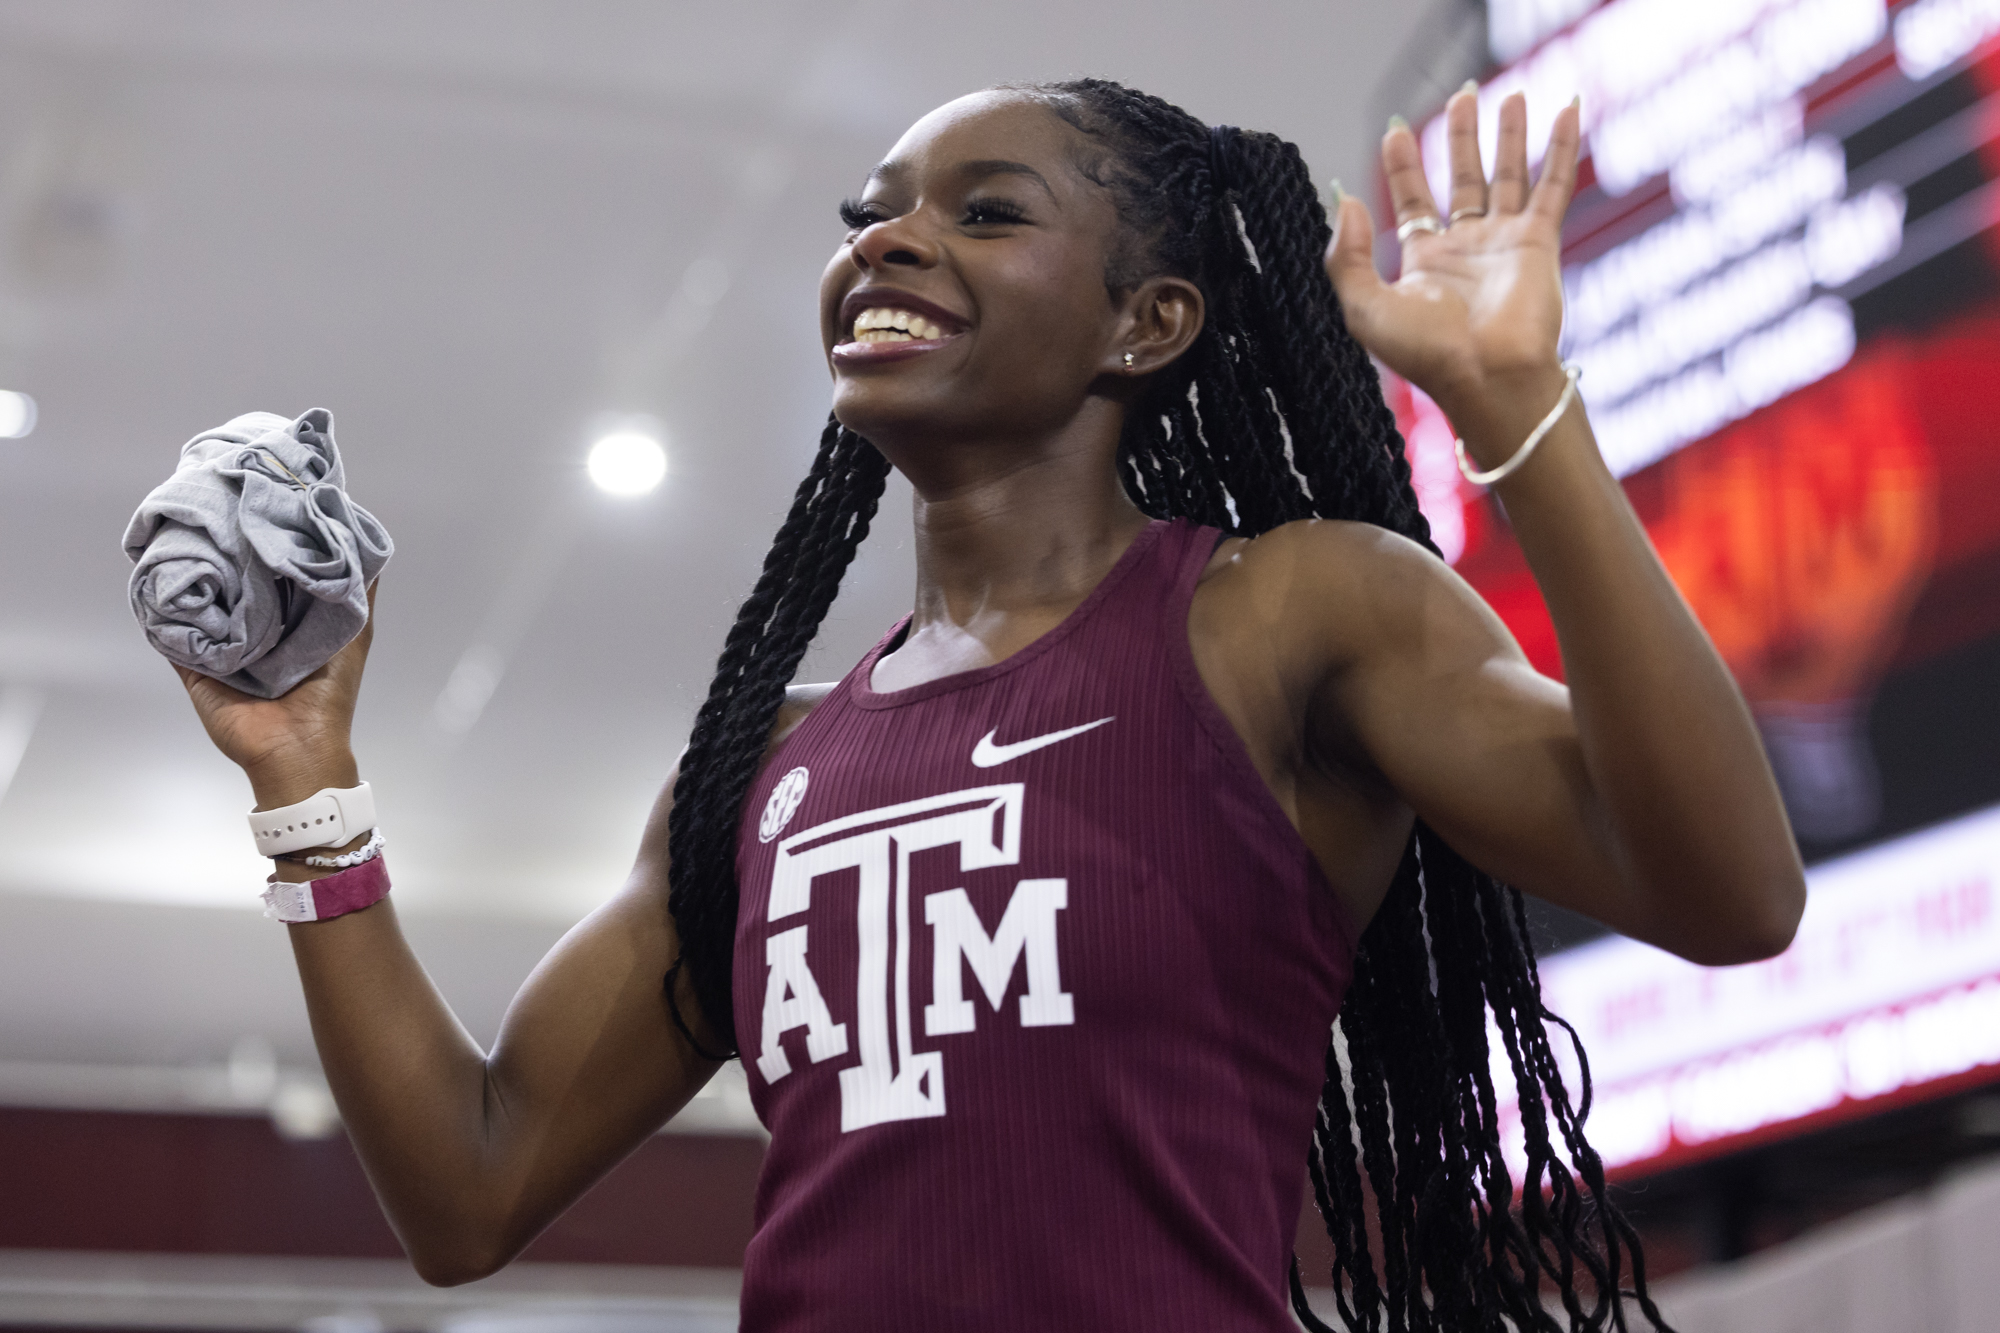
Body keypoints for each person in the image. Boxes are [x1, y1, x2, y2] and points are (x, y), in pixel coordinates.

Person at [176, 78, 1806, 1332]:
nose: (888, 240)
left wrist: (1516, 403)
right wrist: (307, 781)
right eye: (872, 210)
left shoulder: (1292, 610)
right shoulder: (763, 761)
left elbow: (1727, 889)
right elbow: (468, 1185)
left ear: (1145, 323)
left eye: (984, 212)